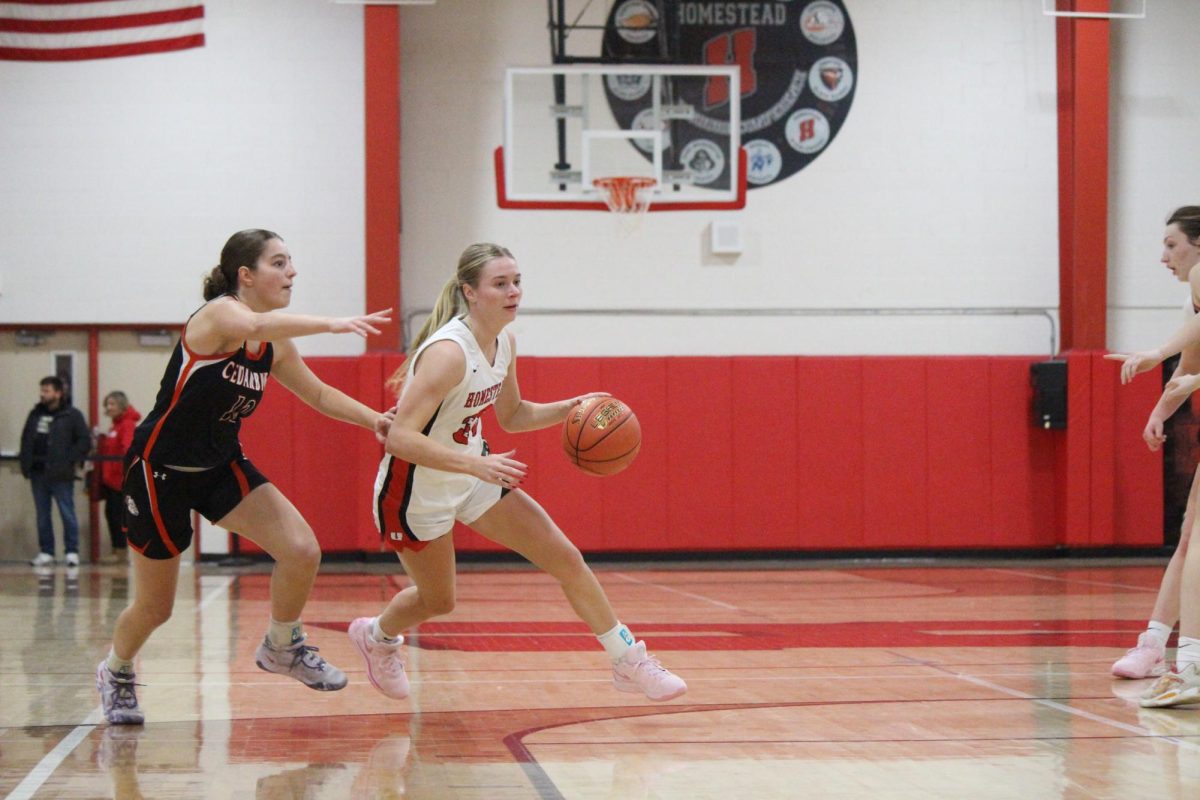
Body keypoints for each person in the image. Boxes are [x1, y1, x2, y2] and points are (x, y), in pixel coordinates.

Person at [347, 243, 687, 703]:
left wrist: (571, 407)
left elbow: (513, 415)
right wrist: (476, 463)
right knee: (438, 601)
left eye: (517, 282)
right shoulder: (449, 353)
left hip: (473, 476)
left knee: (565, 558)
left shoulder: (504, 341)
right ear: (470, 291)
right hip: (414, 492)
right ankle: (378, 636)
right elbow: (400, 438)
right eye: (500, 284)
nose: (513, 292)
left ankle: (628, 661)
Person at [96, 228, 393, 725]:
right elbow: (251, 321)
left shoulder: (270, 343)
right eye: (279, 262)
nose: (292, 271)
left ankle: (282, 645)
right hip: (159, 471)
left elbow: (318, 395)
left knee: (301, 549)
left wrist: (375, 419)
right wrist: (333, 323)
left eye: (291, 261)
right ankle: (117, 671)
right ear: (246, 275)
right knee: (156, 608)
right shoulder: (220, 315)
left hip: (219, 466)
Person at [1107, 206, 1200, 707]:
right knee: (1190, 537)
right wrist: (1159, 412)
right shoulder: (1194, 302)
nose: (1163, 256)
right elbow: (1190, 363)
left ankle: (1190, 662)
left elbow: (1184, 364)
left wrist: (1156, 355)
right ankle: (1157, 648)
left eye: (1172, 244)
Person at [19, 376, 91, 567]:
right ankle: (46, 552)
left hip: (61, 473)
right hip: (38, 472)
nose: (42, 394)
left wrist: (68, 458)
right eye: (42, 390)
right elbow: (26, 438)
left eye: (47, 391)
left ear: (58, 393)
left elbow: (84, 441)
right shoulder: (35, 414)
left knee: (67, 512)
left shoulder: (72, 415)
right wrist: (25, 463)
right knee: (42, 514)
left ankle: (71, 551)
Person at [95, 391, 142, 564]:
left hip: (119, 480)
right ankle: (116, 549)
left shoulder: (127, 424)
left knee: (117, 516)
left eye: (112, 404)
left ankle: (121, 552)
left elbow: (127, 449)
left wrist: (123, 474)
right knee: (111, 514)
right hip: (110, 480)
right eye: (107, 404)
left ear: (122, 405)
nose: (109, 407)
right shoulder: (114, 426)